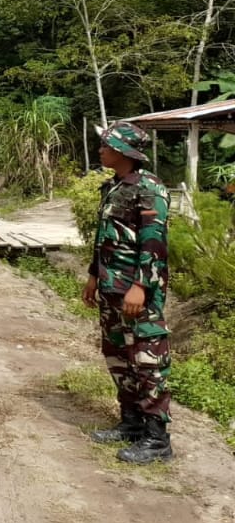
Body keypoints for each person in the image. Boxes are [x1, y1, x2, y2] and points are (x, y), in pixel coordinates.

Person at [81, 120, 173, 463]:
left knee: (147, 361)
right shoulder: (114, 186)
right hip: (110, 288)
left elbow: (154, 245)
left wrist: (139, 286)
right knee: (119, 358)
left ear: (122, 152)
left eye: (106, 145)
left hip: (137, 292)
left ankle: (157, 438)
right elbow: (103, 239)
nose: (101, 150)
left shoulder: (149, 189)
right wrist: (93, 276)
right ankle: (131, 423)